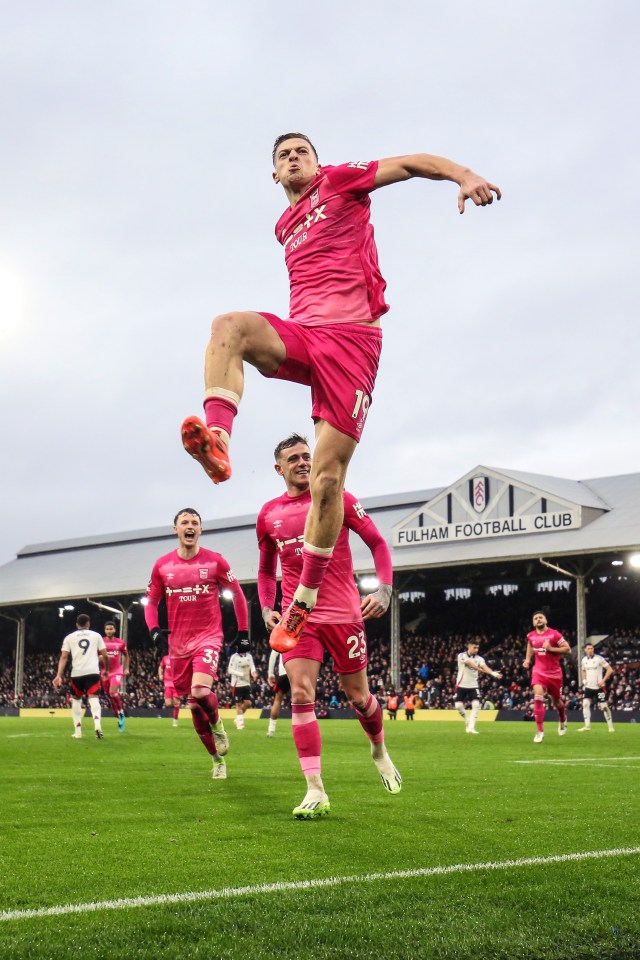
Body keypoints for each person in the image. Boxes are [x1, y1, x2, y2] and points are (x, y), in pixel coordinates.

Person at [182, 133, 501, 654]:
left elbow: (411, 163)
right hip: (305, 336)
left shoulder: (340, 180)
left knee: (328, 479)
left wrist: (463, 174)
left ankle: (303, 599)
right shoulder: (284, 225)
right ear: (274, 174)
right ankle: (218, 440)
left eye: (301, 151)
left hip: (353, 343)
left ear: (316, 160)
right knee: (229, 326)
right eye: (283, 155)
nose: (293, 158)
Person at [257, 433, 401, 819]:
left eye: (308, 455)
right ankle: (315, 788)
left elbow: (378, 545)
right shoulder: (268, 514)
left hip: (343, 613)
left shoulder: (340, 497)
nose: (304, 462)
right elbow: (265, 570)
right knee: (301, 693)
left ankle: (378, 748)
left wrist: (385, 589)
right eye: (294, 458)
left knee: (358, 698)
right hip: (298, 617)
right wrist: (268, 608)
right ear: (279, 468)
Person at [144, 508, 249, 779]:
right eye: (184, 522)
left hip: (208, 638)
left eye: (195, 523)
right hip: (178, 645)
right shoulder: (162, 566)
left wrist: (244, 631)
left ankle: (218, 725)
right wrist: (154, 630)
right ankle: (216, 759)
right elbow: (152, 602)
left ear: (200, 530)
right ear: (175, 529)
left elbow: (237, 595)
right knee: (192, 706)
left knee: (201, 692)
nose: (190, 526)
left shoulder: (215, 562)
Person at [53, 614, 109, 739]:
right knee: (94, 698)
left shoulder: (69, 637)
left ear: (77, 624)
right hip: (93, 672)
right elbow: (105, 655)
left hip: (77, 673)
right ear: (88, 624)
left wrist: (58, 675)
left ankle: (78, 732)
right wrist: (106, 670)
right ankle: (97, 724)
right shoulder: (96, 635)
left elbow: (64, 657)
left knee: (76, 700)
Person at [523, 611, 571, 743]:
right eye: (535, 618)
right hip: (538, 672)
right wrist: (527, 659)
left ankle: (562, 717)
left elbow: (568, 649)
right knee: (538, 696)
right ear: (533, 622)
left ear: (546, 620)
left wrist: (551, 649)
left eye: (540, 617)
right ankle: (540, 731)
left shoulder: (554, 634)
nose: (538, 620)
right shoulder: (531, 636)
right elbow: (530, 645)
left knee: (557, 702)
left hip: (555, 674)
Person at [454, 640, 502, 734]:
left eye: (478, 648)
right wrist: (482, 670)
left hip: (473, 685)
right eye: (474, 647)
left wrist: (492, 673)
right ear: (469, 647)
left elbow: (485, 666)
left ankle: (472, 727)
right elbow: (470, 664)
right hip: (461, 684)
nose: (476, 650)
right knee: (458, 706)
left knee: (476, 705)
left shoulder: (479, 658)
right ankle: (466, 719)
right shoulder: (461, 655)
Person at [579, 643, 615, 733]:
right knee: (585, 704)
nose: (591, 650)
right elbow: (583, 670)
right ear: (585, 650)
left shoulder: (599, 658)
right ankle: (587, 726)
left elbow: (610, 669)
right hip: (588, 687)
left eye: (592, 648)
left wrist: (603, 681)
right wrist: (583, 680)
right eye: (589, 648)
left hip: (598, 687)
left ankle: (610, 727)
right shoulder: (583, 660)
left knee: (604, 707)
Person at [101, 621, 129, 732]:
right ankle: (118, 715)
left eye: (111, 629)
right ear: (105, 630)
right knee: (109, 695)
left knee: (113, 692)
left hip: (117, 671)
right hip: (105, 672)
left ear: (115, 630)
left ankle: (121, 712)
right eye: (107, 629)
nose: (109, 631)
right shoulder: (101, 642)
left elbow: (126, 655)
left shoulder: (120, 642)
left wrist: (126, 668)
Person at [227, 637, 258, 730]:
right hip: (237, 684)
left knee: (248, 703)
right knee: (239, 704)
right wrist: (241, 673)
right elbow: (230, 670)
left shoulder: (249, 656)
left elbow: (252, 666)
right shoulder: (234, 657)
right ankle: (240, 723)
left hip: (246, 683)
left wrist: (254, 672)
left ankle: (238, 718)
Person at [266, 647, 290, 737]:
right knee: (302, 701)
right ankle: (303, 730)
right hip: (298, 671)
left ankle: (271, 730)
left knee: (278, 700)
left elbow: (273, 655)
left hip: (284, 671)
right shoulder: (300, 634)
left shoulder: (282, 635)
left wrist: (270, 674)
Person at [158, 653, 181, 727]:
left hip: (176, 684)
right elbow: (160, 667)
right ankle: (175, 712)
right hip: (167, 684)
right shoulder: (165, 658)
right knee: (168, 703)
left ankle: (175, 720)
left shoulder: (178, 658)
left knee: (176, 703)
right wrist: (160, 674)